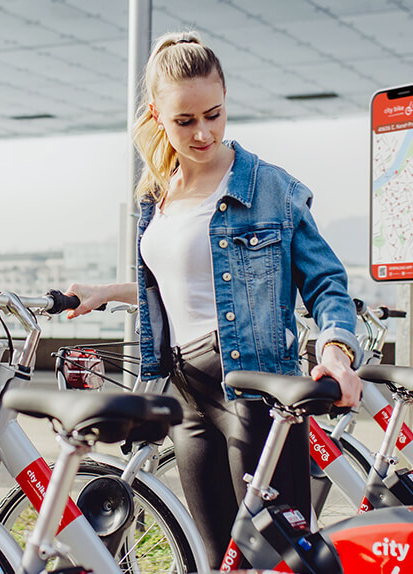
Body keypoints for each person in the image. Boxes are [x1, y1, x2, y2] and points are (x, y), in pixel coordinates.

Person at [64, 31, 364, 567]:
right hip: (184, 391)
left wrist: (336, 353)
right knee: (218, 555)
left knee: (278, 557)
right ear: (157, 114)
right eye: (185, 121)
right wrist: (109, 291)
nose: (203, 132)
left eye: (214, 114)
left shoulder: (271, 188)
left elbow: (325, 283)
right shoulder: (157, 194)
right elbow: (189, 284)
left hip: (253, 386)